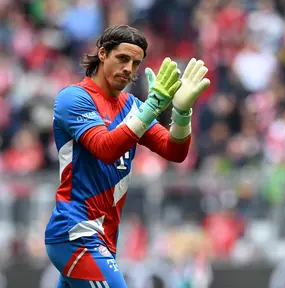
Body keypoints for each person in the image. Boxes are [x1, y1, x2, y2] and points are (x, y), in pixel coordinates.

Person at [44, 24, 210, 288]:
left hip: (104, 236)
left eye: (136, 63)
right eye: (122, 58)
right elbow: (105, 148)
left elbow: (174, 151)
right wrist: (152, 107)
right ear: (102, 54)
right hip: (76, 231)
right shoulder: (74, 98)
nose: (129, 69)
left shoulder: (132, 106)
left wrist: (181, 113)